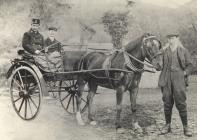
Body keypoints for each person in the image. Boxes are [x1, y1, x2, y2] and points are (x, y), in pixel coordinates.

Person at [158, 32, 193, 137]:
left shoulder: (183, 51)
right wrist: (157, 65)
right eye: (169, 38)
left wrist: (184, 73)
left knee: (181, 103)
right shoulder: (163, 51)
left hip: (179, 78)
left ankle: (185, 127)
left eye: (172, 38)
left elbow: (190, 65)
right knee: (167, 102)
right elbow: (157, 63)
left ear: (177, 38)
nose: (170, 40)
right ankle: (167, 126)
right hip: (166, 78)